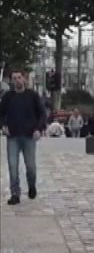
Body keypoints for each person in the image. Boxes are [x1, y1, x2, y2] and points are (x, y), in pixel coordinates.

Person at [0, 70, 46, 205]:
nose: (17, 81)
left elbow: (42, 114)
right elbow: (1, 114)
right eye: (14, 78)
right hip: (12, 136)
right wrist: (3, 126)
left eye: (19, 78)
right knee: (12, 166)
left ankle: (32, 185)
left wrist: (39, 129)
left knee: (30, 166)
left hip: (29, 136)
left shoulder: (32, 96)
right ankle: (15, 193)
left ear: (24, 80)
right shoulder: (8, 97)